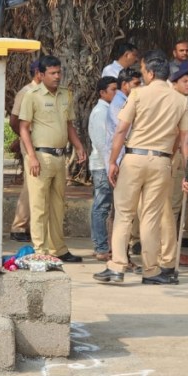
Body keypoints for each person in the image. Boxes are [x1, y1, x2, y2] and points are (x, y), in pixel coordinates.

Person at [94, 52, 188, 285]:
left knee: (124, 214)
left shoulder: (137, 94)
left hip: (134, 158)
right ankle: (151, 270)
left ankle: (117, 266)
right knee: (151, 217)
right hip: (162, 161)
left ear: (149, 73)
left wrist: (112, 162)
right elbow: (186, 140)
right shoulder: (180, 100)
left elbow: (121, 130)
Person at [18, 56, 87, 262]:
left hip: (59, 157)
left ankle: (59, 248)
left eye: (59, 72)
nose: (57, 76)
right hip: (40, 155)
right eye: (52, 73)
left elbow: (68, 125)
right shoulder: (32, 95)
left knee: (58, 205)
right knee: (39, 205)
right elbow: (23, 127)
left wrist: (78, 145)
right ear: (41, 74)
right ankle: (40, 250)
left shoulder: (66, 94)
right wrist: (31, 156)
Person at [106, 66, 143, 261]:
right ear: (124, 84)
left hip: (123, 161)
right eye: (136, 84)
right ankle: (118, 255)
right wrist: (114, 163)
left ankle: (122, 255)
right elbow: (122, 133)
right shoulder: (120, 103)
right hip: (120, 161)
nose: (139, 88)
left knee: (123, 210)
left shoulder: (126, 100)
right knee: (120, 211)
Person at [167, 60, 188, 268]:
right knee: (172, 207)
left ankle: (171, 250)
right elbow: (182, 137)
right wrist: (187, 167)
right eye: (185, 80)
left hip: (179, 156)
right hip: (172, 157)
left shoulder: (184, 100)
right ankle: (170, 253)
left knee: (175, 207)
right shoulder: (174, 101)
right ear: (175, 81)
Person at [8, 59, 42, 243]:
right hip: (30, 143)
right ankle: (19, 226)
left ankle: (27, 226)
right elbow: (14, 120)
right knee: (30, 185)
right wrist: (23, 137)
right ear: (38, 72)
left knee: (33, 185)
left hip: (43, 143)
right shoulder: (26, 92)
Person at [88, 76, 118, 260]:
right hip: (102, 166)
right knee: (101, 207)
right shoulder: (101, 112)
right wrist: (110, 166)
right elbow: (101, 142)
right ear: (102, 93)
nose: (116, 93)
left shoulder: (110, 110)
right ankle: (100, 247)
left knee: (106, 207)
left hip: (107, 165)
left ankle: (105, 246)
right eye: (113, 89)